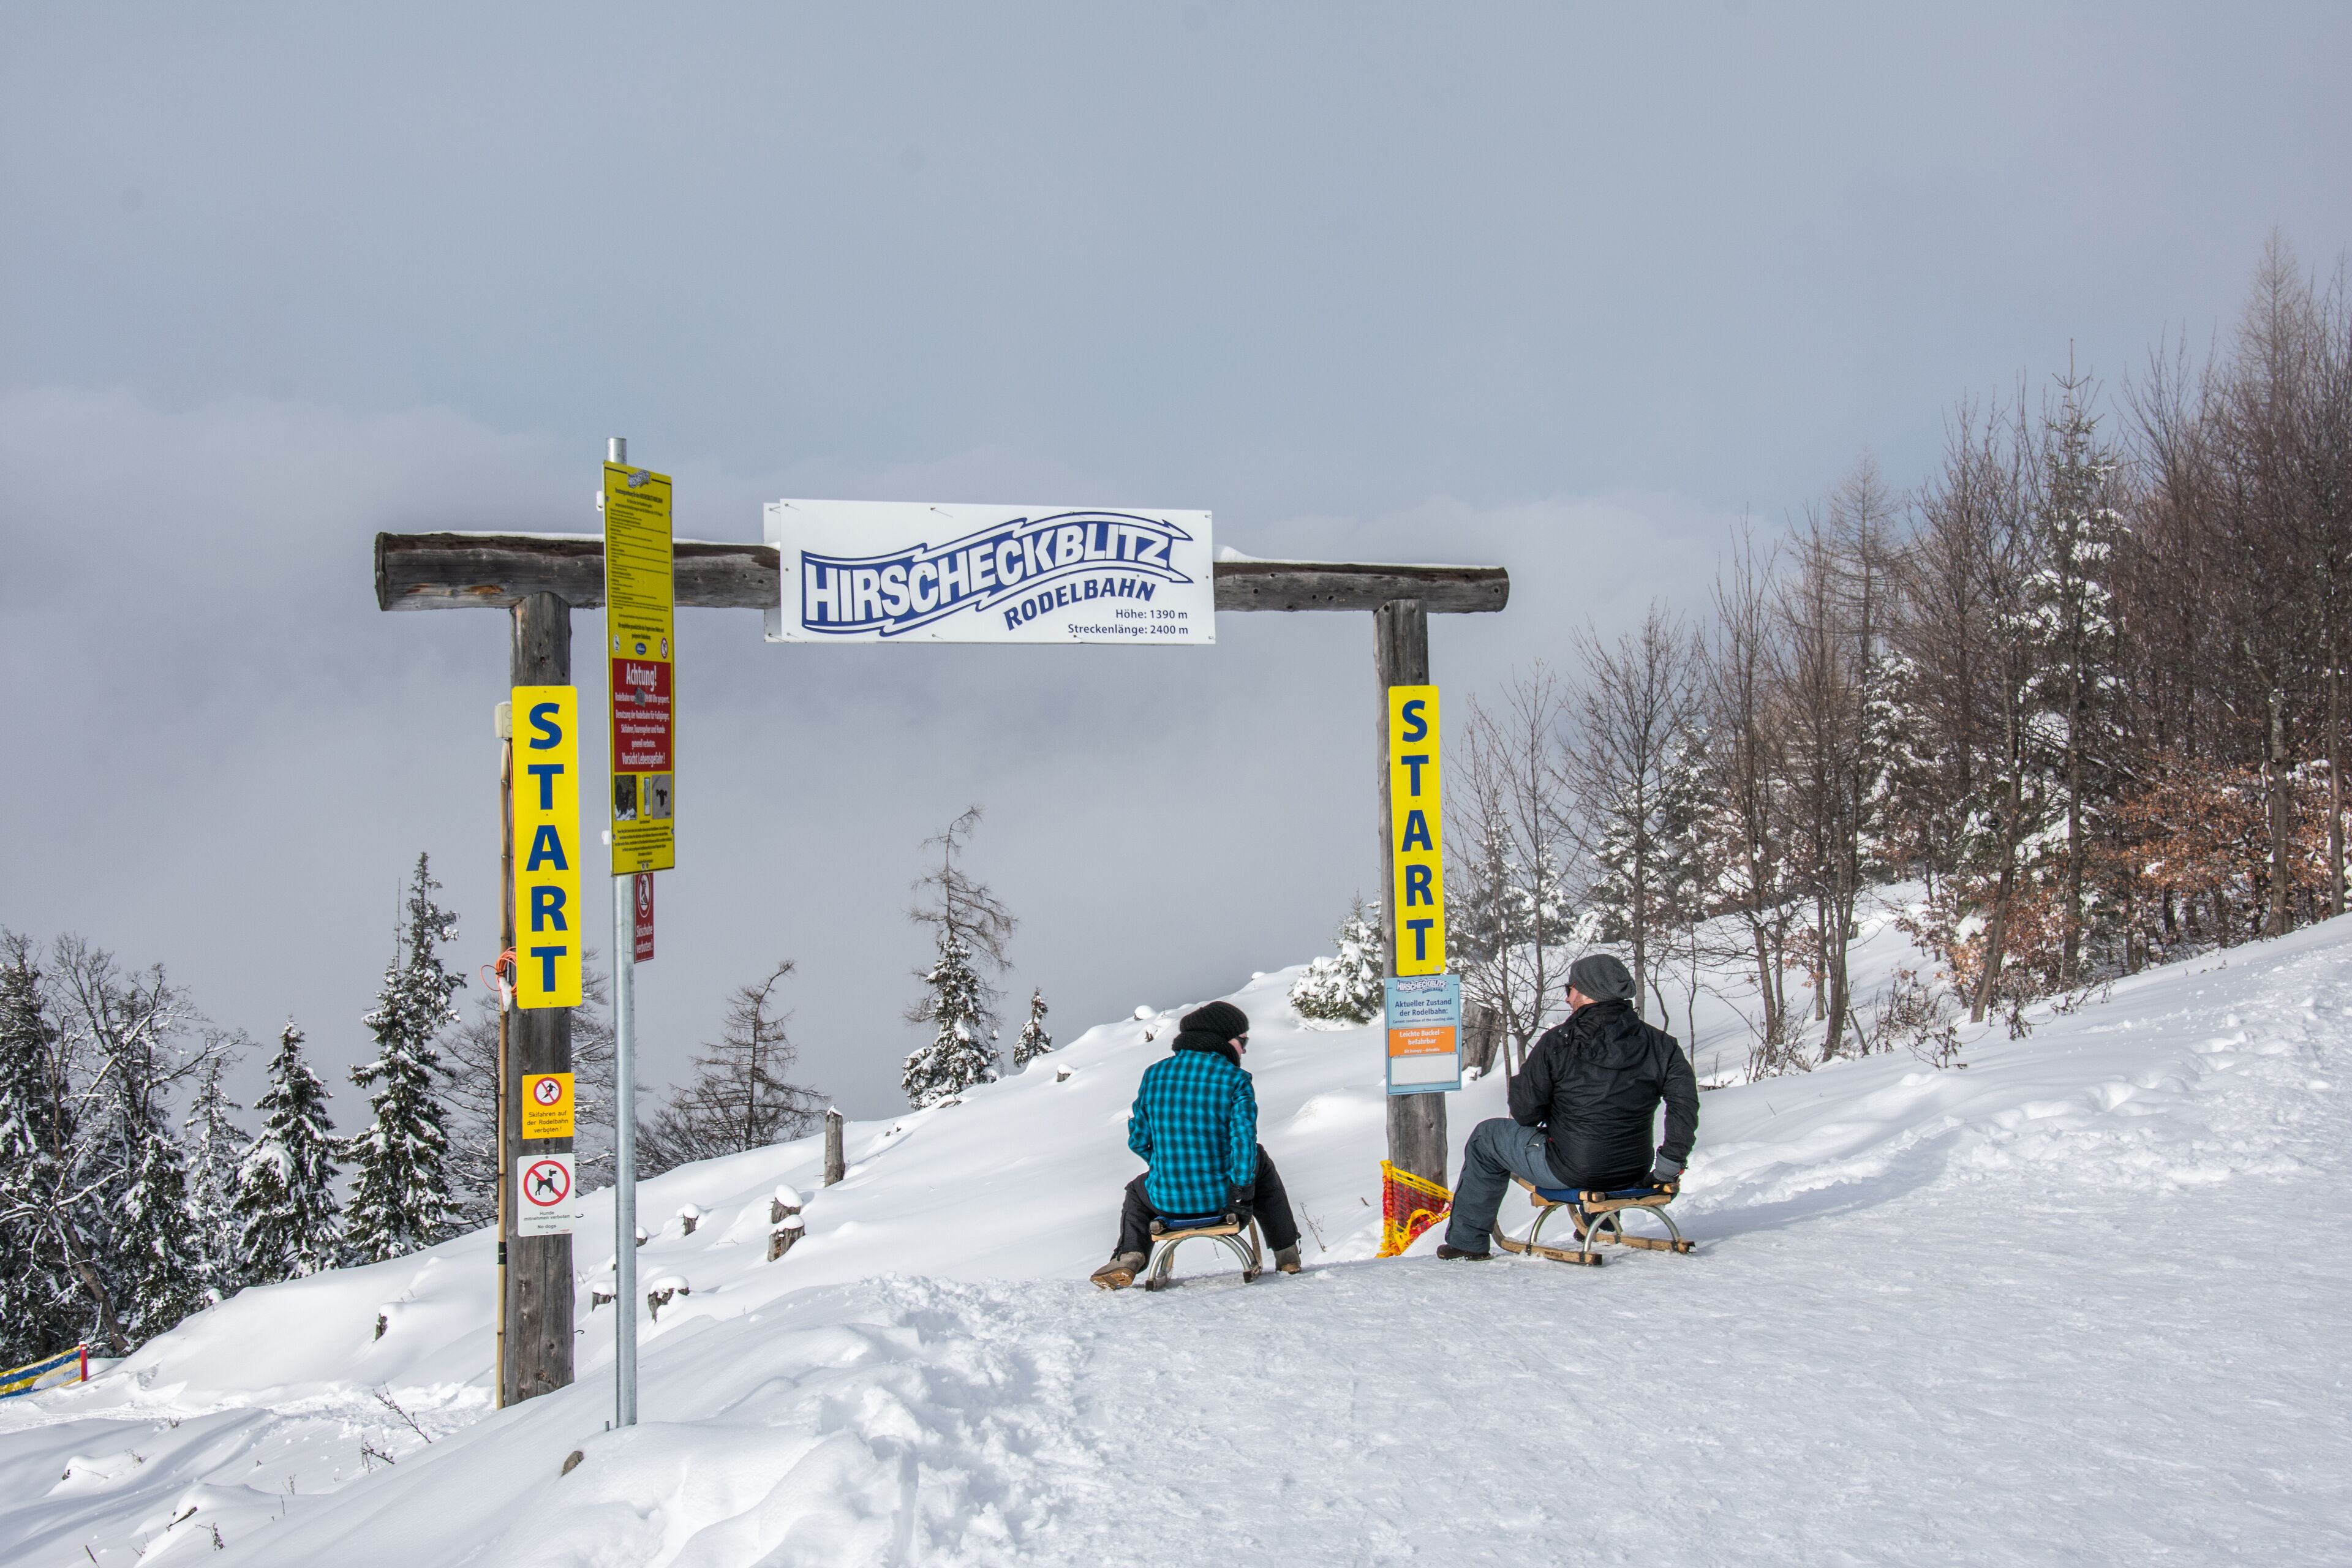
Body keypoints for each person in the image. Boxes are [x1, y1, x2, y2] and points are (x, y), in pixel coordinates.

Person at [1434, 952, 1698, 1261]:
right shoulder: (1662, 1044)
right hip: (1633, 1169)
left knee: (1487, 1136)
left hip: (1571, 1169)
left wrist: (1540, 1099)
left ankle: (1468, 1241)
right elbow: (1685, 1107)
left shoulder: (1558, 1042)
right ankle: (1602, 1227)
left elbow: (1525, 1113)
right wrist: (1667, 1168)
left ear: (1585, 992)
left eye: (1568, 988)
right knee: (1591, 1141)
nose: (1567, 997)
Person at [1090, 1000, 1305, 1289]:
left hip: (1166, 1201)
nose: (1244, 1049)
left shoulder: (1154, 1075)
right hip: (1225, 1202)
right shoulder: (1236, 1079)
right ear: (1225, 1039)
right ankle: (1287, 1254)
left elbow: (1139, 1139)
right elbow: (1243, 1140)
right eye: (1244, 1040)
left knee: (1136, 1192)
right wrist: (1241, 1191)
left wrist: (1166, 1167)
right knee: (1259, 1157)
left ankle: (1129, 1257)